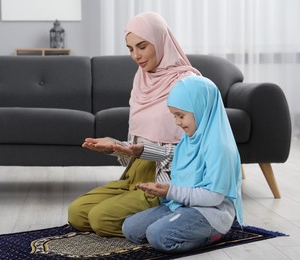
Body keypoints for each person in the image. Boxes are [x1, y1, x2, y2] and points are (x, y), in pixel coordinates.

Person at [67, 12, 201, 237]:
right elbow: (136, 147)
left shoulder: (188, 84)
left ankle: (173, 222)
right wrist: (114, 147)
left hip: (166, 177)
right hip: (133, 174)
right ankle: (145, 219)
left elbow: (196, 150)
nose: (136, 55)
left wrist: (143, 152)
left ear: (160, 41)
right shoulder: (141, 79)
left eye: (142, 46)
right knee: (77, 213)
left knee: (100, 220)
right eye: (130, 49)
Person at [118, 76, 244, 253]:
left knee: (158, 236)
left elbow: (214, 197)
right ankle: (180, 224)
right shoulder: (188, 140)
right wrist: (162, 189)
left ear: (201, 109)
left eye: (181, 115)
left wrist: (170, 191)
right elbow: (182, 178)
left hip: (211, 213)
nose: (177, 122)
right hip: (181, 205)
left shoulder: (220, 147)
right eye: (174, 115)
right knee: (130, 228)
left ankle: (213, 235)